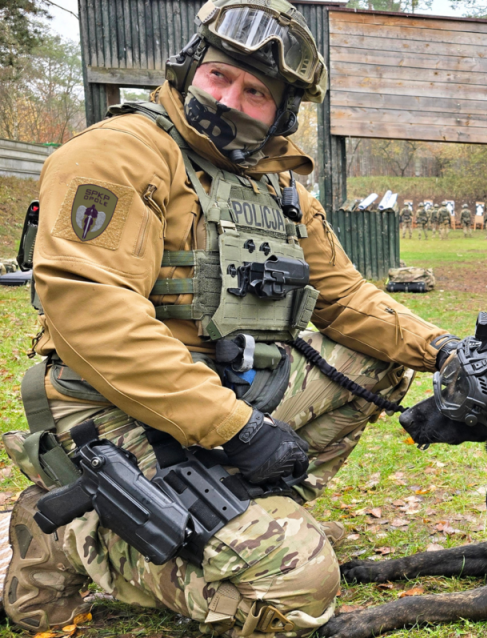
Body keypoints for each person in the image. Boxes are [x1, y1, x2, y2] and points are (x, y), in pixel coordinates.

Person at [1, 2, 460, 636]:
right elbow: (94, 315)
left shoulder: (281, 189)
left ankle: (237, 514)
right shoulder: (120, 153)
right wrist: (236, 429)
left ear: (281, 112)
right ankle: (71, 534)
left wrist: (446, 349)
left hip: (231, 389)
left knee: (379, 362)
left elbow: (346, 299)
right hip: (115, 403)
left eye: (255, 92)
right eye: (220, 76)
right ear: (190, 69)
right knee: (301, 596)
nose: (231, 100)